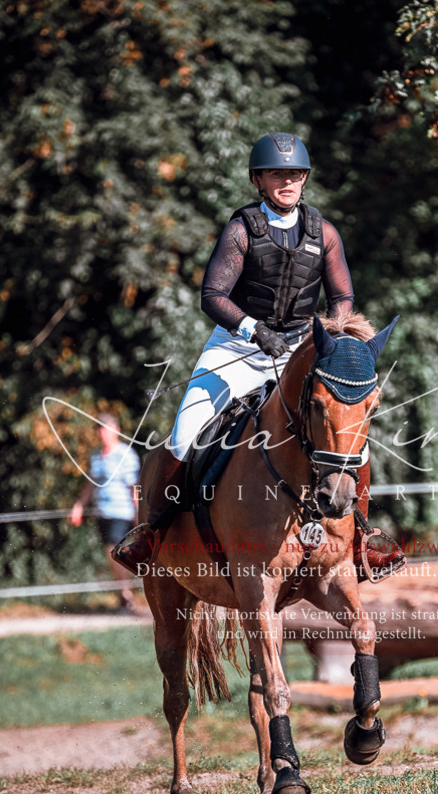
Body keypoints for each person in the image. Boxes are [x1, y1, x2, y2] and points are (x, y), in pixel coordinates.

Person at [114, 132, 405, 579]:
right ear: (259, 180)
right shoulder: (241, 229)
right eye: (277, 174)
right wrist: (253, 329)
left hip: (300, 351)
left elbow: (343, 295)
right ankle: (152, 533)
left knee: (348, 440)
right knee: (183, 433)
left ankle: (364, 539)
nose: (287, 181)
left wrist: (337, 334)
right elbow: (212, 295)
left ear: (304, 179)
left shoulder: (323, 232)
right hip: (236, 346)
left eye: (294, 174)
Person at [70, 413, 141, 611]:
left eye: (106, 429)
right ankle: (124, 595)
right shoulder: (95, 455)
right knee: (112, 554)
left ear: (116, 430)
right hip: (102, 512)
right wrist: (79, 505)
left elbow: (133, 486)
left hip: (122, 512)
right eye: (99, 429)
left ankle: (126, 596)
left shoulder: (126, 454)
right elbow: (90, 484)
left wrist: (138, 514)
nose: (102, 433)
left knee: (114, 550)